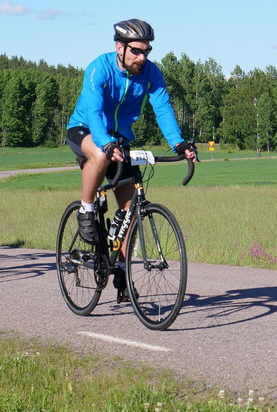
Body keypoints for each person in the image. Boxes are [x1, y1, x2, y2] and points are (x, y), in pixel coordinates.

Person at [66, 19, 196, 299]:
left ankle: (123, 273)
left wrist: (179, 143)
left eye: (146, 51)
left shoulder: (150, 72)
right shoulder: (99, 68)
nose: (142, 57)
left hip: (120, 137)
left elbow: (162, 107)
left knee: (130, 209)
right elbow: (93, 110)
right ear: (119, 47)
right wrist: (105, 142)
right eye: (136, 51)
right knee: (100, 155)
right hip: (86, 130)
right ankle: (86, 209)